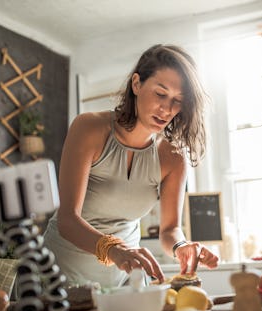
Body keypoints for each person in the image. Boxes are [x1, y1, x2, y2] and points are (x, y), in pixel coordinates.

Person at [43, 44, 219, 288]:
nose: (167, 109)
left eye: (178, 101)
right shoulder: (89, 128)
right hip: (59, 274)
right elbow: (67, 220)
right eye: (160, 94)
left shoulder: (174, 156)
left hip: (125, 276)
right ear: (136, 84)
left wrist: (181, 247)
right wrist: (115, 250)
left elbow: (170, 230)